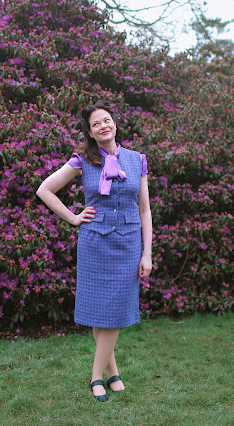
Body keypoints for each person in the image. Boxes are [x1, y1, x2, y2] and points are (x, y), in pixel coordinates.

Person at [36, 100, 153, 402]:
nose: (103, 126)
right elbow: (44, 189)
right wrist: (73, 217)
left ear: (115, 124)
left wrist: (147, 254)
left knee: (116, 310)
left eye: (107, 120)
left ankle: (100, 375)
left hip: (128, 244)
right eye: (96, 124)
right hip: (94, 244)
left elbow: (144, 209)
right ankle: (105, 376)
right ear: (90, 132)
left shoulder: (137, 160)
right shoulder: (82, 160)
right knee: (100, 310)